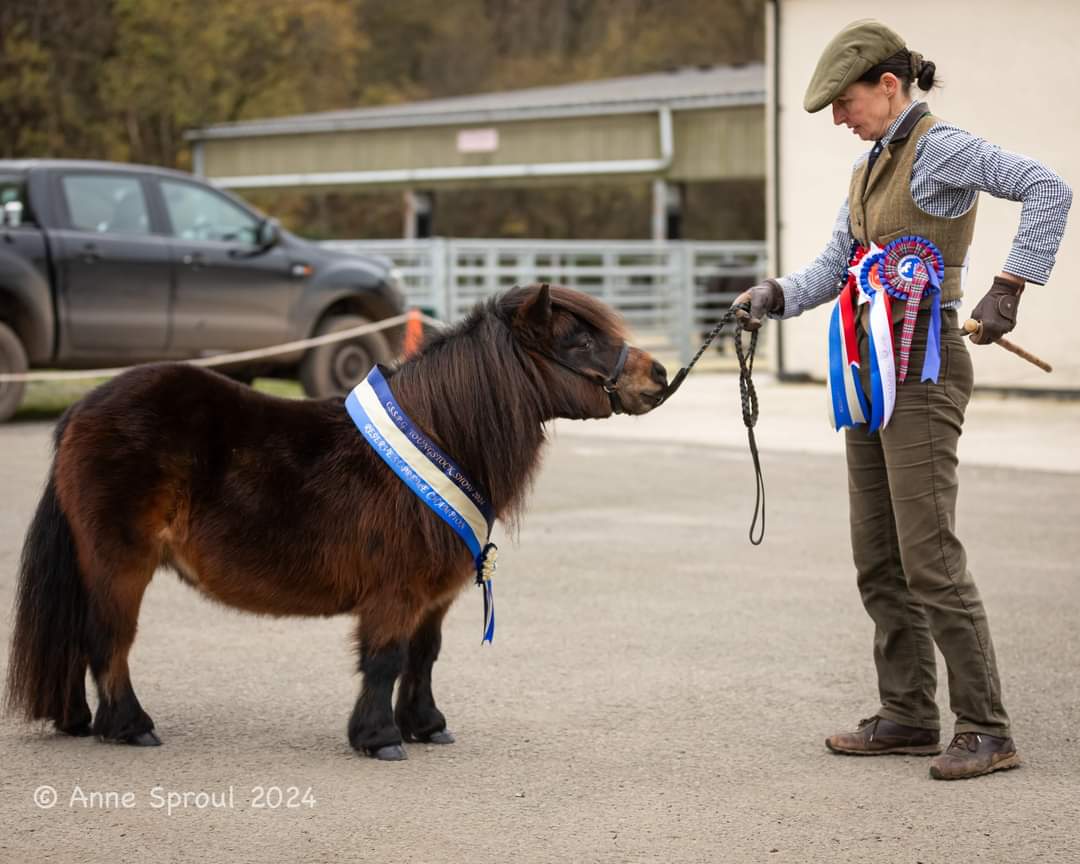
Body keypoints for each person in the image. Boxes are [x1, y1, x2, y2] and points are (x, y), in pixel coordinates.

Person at [735, 19, 1071, 781]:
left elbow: (1048, 188)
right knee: (879, 557)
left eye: (845, 102)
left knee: (930, 557)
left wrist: (1011, 286)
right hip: (871, 372)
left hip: (923, 371)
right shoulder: (867, 167)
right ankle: (909, 715)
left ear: (890, 86)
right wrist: (774, 294)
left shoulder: (941, 146)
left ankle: (987, 729)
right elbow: (836, 266)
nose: (837, 119)